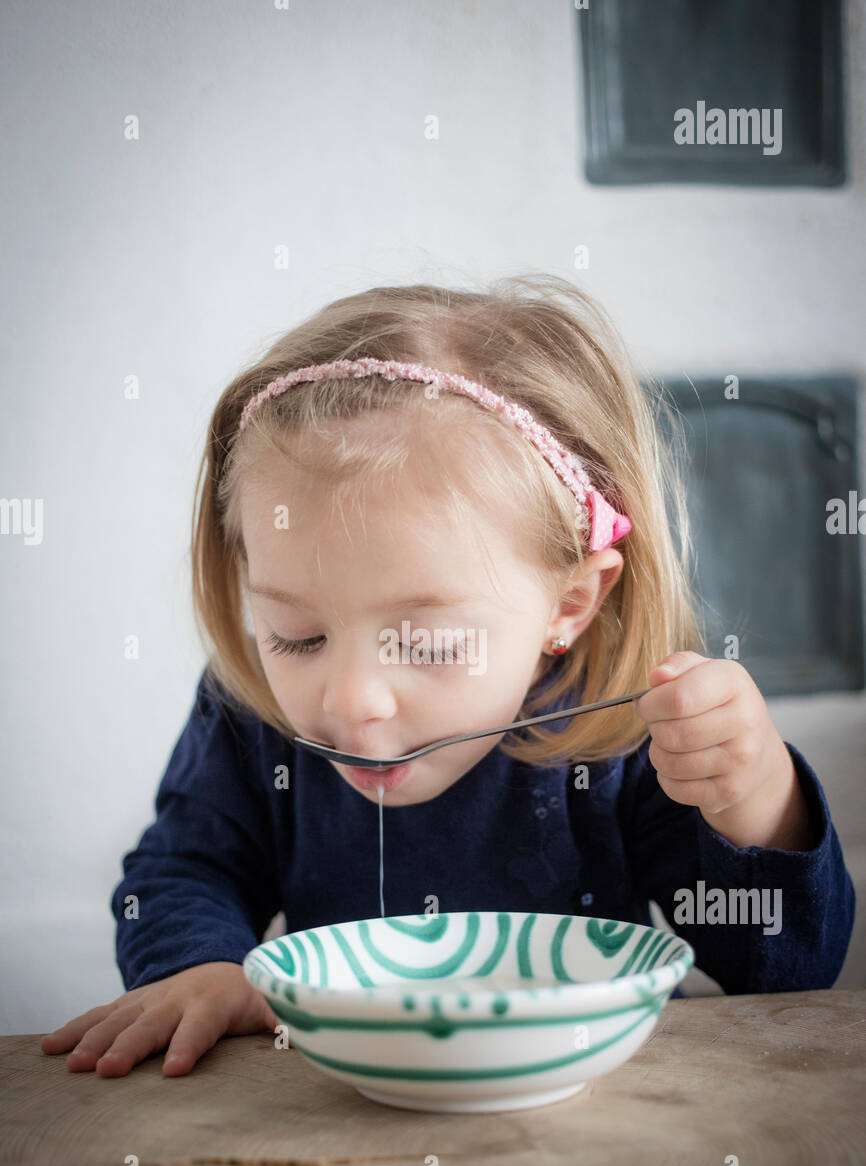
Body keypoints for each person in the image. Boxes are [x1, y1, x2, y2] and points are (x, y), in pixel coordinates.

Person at [41, 274, 855, 1079]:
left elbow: (786, 974)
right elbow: (183, 870)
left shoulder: (623, 736)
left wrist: (757, 801)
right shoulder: (252, 717)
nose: (352, 701)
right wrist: (200, 965)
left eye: (426, 644)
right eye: (297, 636)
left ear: (568, 603)